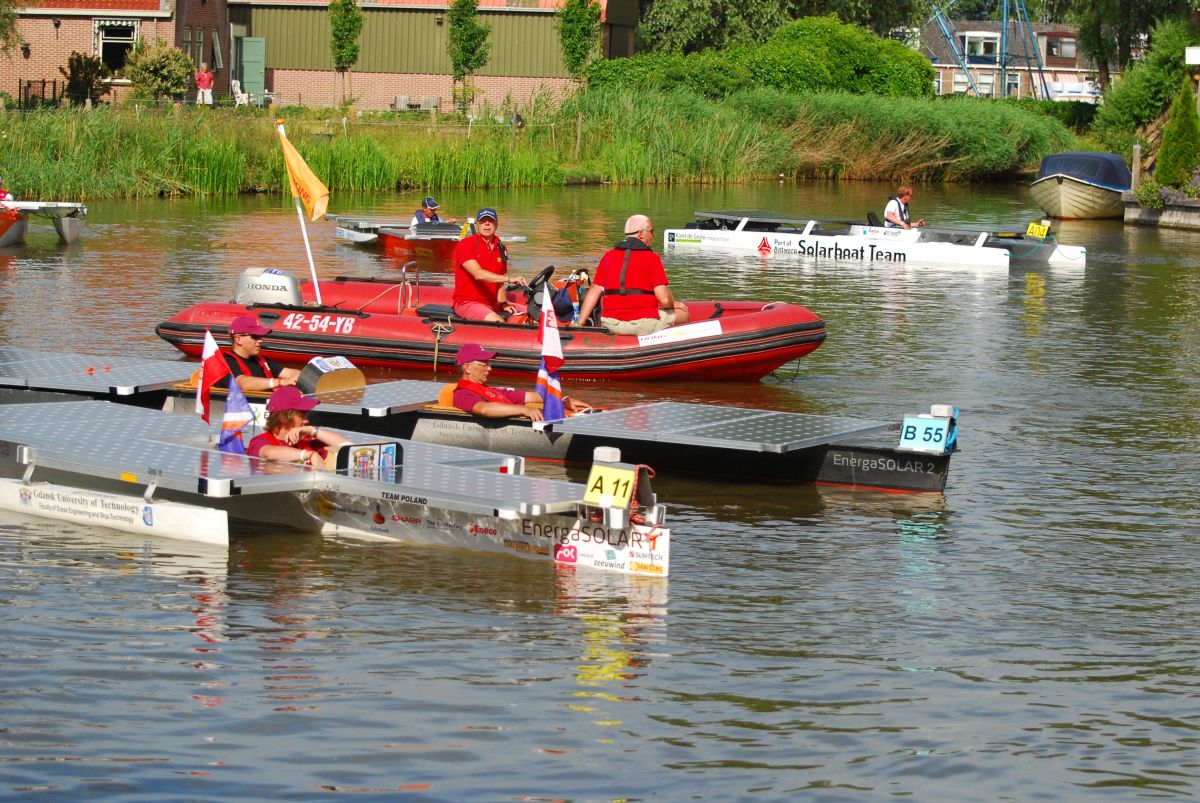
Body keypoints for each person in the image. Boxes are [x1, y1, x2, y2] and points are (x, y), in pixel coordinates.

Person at [575, 215, 689, 336]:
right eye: (651, 231)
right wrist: (672, 304)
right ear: (641, 234)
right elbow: (664, 299)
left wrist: (579, 323)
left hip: (611, 324)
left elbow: (594, 290)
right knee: (684, 313)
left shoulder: (608, 256)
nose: (653, 236)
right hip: (643, 324)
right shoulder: (652, 258)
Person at [452, 343, 588, 423]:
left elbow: (532, 396)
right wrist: (524, 410)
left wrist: (560, 400)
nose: (489, 369)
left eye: (489, 363)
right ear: (467, 368)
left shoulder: (492, 391)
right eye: (484, 364)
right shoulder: (462, 394)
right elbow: (483, 409)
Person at [452, 207, 527, 322]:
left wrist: (503, 303)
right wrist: (510, 279)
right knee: (498, 322)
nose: (487, 224)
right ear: (477, 224)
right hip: (467, 303)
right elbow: (478, 274)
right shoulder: (465, 244)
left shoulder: (501, 248)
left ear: (496, 224)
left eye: (491, 221)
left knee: (533, 313)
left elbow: (500, 281)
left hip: (492, 304)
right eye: (483, 221)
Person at [247, 386, 348, 469]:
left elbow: (348, 447)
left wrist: (312, 431)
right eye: (302, 415)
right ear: (283, 418)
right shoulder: (260, 441)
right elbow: (268, 453)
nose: (306, 420)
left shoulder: (307, 441)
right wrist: (308, 455)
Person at [223, 315, 301, 394]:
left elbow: (288, 373)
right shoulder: (227, 363)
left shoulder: (263, 361)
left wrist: (304, 377)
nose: (260, 340)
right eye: (255, 336)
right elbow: (243, 383)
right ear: (238, 339)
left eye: (260, 336)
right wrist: (279, 382)